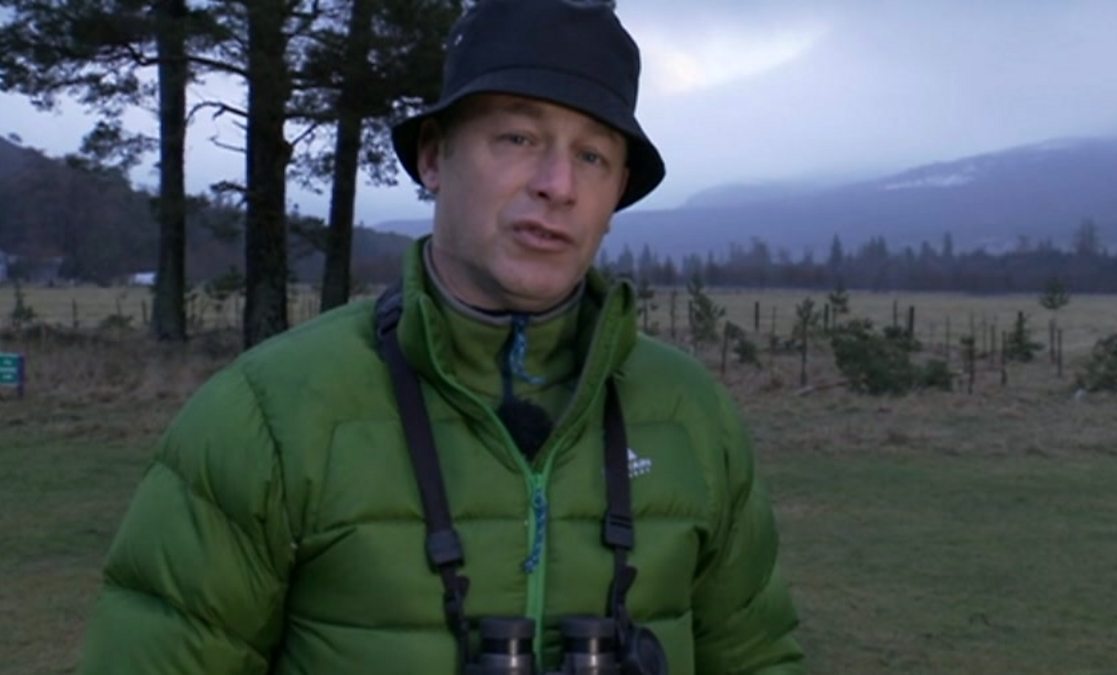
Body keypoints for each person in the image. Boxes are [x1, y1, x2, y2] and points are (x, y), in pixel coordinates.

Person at [79, 0, 804, 673]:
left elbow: (759, 657)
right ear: (433, 157)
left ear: (615, 194)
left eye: (593, 155)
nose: (558, 184)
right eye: (519, 137)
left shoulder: (691, 417)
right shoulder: (268, 417)